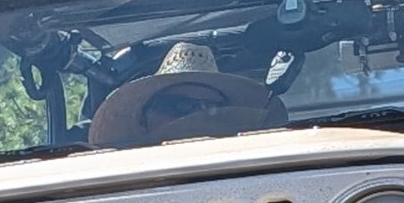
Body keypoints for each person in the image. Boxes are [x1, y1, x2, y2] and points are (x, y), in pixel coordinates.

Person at [86, 40, 286, 150]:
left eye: (213, 108)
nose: (198, 116)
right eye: (179, 106)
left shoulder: (258, 169)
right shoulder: (118, 177)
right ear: (144, 117)